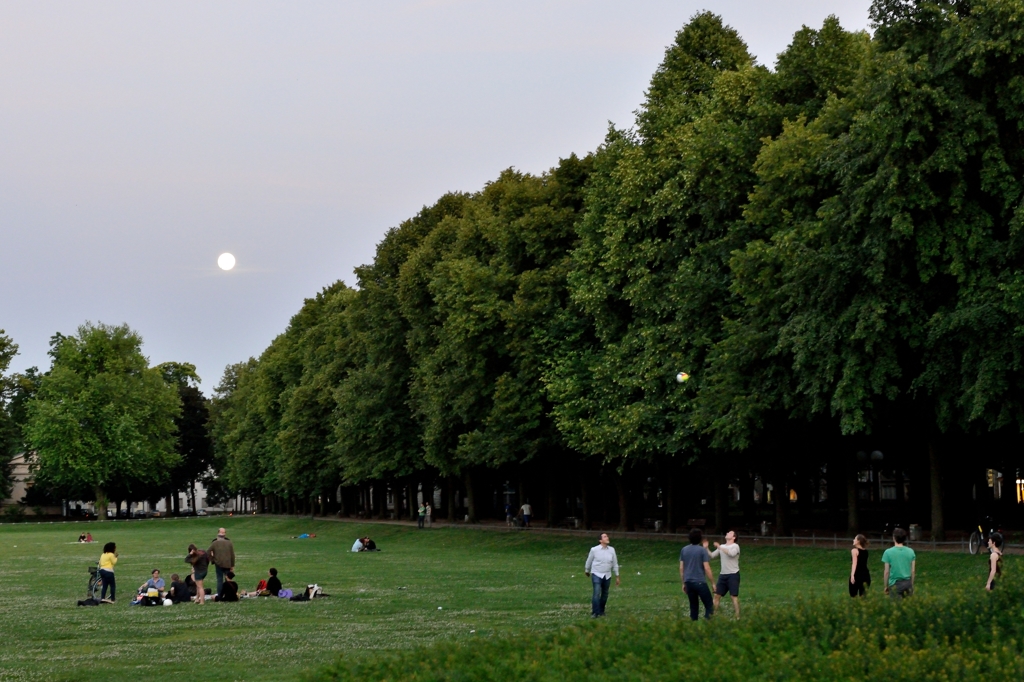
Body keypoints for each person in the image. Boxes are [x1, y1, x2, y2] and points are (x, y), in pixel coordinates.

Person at [680, 528, 714, 620]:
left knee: (693, 606)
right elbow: (707, 568)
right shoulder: (702, 551)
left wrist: (683, 583)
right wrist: (713, 583)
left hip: (689, 582)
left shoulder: (684, 550)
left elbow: (681, 568)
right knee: (709, 605)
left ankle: (693, 626)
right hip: (700, 582)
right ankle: (708, 624)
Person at [584, 533, 620, 617]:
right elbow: (589, 560)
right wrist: (587, 570)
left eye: (607, 536)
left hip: (607, 575)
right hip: (597, 574)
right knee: (596, 593)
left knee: (605, 594)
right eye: (605, 537)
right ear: (600, 540)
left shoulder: (611, 550)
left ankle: (601, 611)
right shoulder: (594, 550)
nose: (607, 538)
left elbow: (615, 563)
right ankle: (595, 612)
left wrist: (617, 576)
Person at [709, 530, 741, 618]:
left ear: (734, 537)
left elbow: (731, 554)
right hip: (723, 575)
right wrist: (706, 548)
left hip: (733, 575)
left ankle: (738, 616)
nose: (727, 533)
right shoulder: (722, 546)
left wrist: (719, 547)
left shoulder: (735, 546)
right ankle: (712, 615)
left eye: (730, 533)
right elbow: (712, 555)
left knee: (733, 596)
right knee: (716, 595)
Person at [882, 527, 916, 600]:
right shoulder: (911, 551)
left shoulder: (888, 552)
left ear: (894, 538)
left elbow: (887, 572)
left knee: (896, 608)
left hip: (895, 583)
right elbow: (913, 571)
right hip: (907, 582)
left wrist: (885, 586)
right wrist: (911, 584)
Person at [208, 528, 236, 594]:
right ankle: (228, 593)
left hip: (219, 563)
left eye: (224, 532)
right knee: (227, 579)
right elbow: (232, 555)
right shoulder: (229, 542)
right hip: (227, 563)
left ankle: (220, 594)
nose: (223, 533)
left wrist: (213, 560)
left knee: (220, 580)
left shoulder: (214, 542)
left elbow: (208, 552)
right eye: (222, 532)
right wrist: (232, 565)